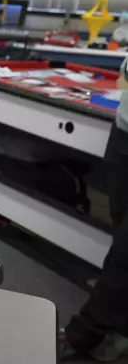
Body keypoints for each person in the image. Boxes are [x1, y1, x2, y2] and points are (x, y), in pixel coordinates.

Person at [60, 58, 128, 362]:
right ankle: (120, 329)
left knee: (126, 251)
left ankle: (85, 334)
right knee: (120, 229)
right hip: (125, 131)